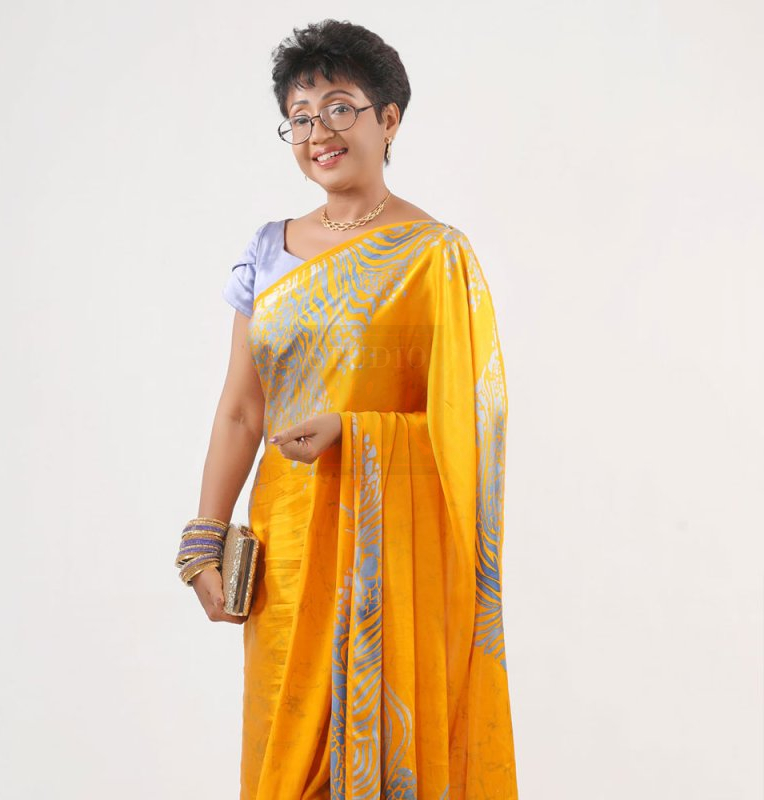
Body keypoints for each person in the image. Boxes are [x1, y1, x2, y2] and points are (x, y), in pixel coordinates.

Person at [175, 18, 518, 799]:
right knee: (286, 762)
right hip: (287, 552)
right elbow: (241, 410)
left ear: (388, 119)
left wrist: (352, 433)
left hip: (391, 559)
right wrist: (204, 539)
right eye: (299, 118)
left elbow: (470, 426)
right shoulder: (267, 250)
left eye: (338, 108)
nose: (317, 133)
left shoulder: (435, 256)